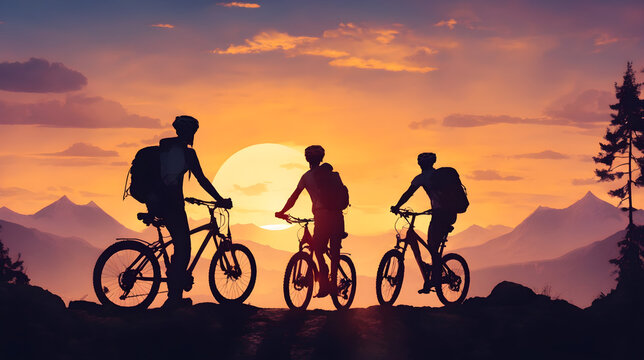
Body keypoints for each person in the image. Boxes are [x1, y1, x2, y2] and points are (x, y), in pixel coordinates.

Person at [146, 115, 231, 308]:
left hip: (156, 202)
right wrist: (220, 200)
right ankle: (173, 298)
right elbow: (201, 179)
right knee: (184, 249)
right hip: (172, 206)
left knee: (180, 246)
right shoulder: (187, 154)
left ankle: (174, 292)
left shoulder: (164, 149)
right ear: (190, 133)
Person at [275, 145, 346, 297]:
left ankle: (325, 282)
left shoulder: (307, 177)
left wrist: (282, 212)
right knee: (334, 250)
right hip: (338, 216)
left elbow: (294, 197)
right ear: (321, 158)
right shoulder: (333, 175)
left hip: (321, 217)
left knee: (319, 249)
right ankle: (332, 283)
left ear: (307, 159)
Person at [390, 152, 457, 294]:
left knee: (432, 246)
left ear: (420, 164)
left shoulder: (423, 177)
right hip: (449, 214)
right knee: (433, 245)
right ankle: (433, 275)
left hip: (440, 215)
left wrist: (397, 206)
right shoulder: (438, 176)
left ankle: (436, 279)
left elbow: (408, 193)